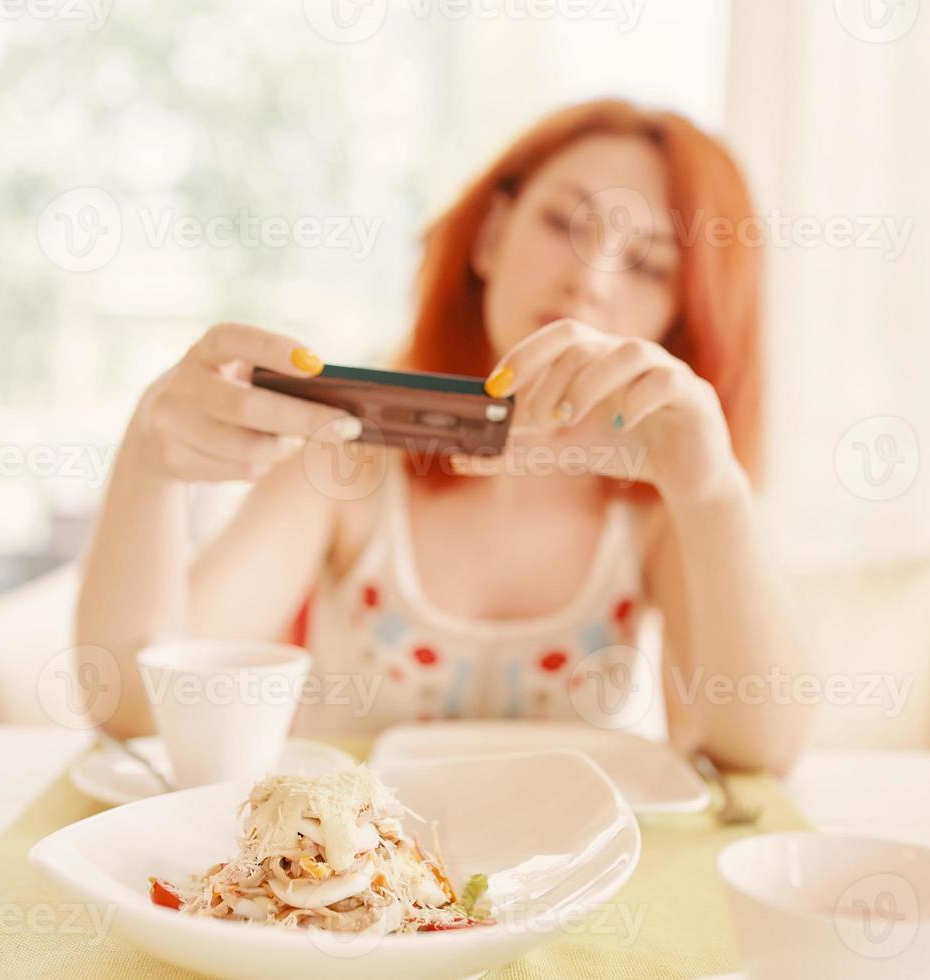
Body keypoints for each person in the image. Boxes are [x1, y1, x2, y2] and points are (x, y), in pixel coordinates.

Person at [76, 99, 811, 773]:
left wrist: (715, 496)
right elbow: (139, 709)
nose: (591, 282)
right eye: (564, 224)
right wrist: (149, 460)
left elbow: (758, 753)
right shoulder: (347, 465)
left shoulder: (655, 509)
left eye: (649, 265)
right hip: (352, 893)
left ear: (679, 321)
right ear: (491, 237)